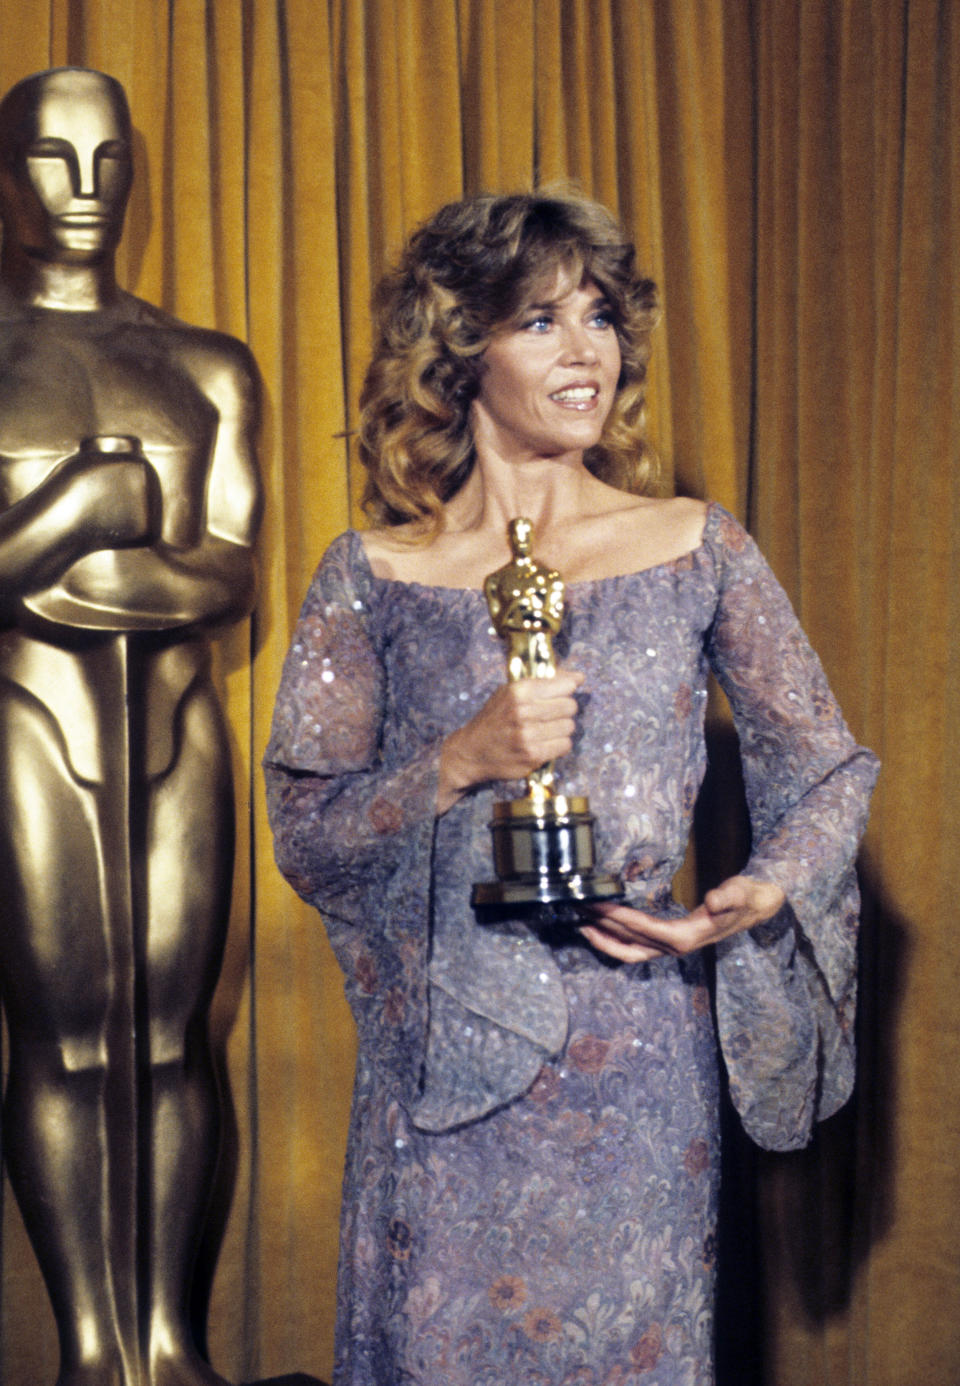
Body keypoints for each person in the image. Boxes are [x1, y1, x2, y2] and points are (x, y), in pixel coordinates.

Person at [264, 189, 877, 1385]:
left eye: (600, 317)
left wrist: (749, 896)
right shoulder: (374, 575)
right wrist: (459, 761)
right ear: (462, 350)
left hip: (640, 1061)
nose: (585, 348)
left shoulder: (698, 545)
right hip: (446, 1072)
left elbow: (827, 768)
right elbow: (309, 836)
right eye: (541, 320)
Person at [0, 68, 261, 1386]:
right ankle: (93, 1349)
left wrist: (47, 568)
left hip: (176, 719)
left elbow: (231, 571)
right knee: (64, 1035)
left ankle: (169, 1333)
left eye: (109, 162)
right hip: (28, 717)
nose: (86, 191)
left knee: (173, 1035)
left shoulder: (205, 361)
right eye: (53, 160)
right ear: (7, 177)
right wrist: (82, 512)